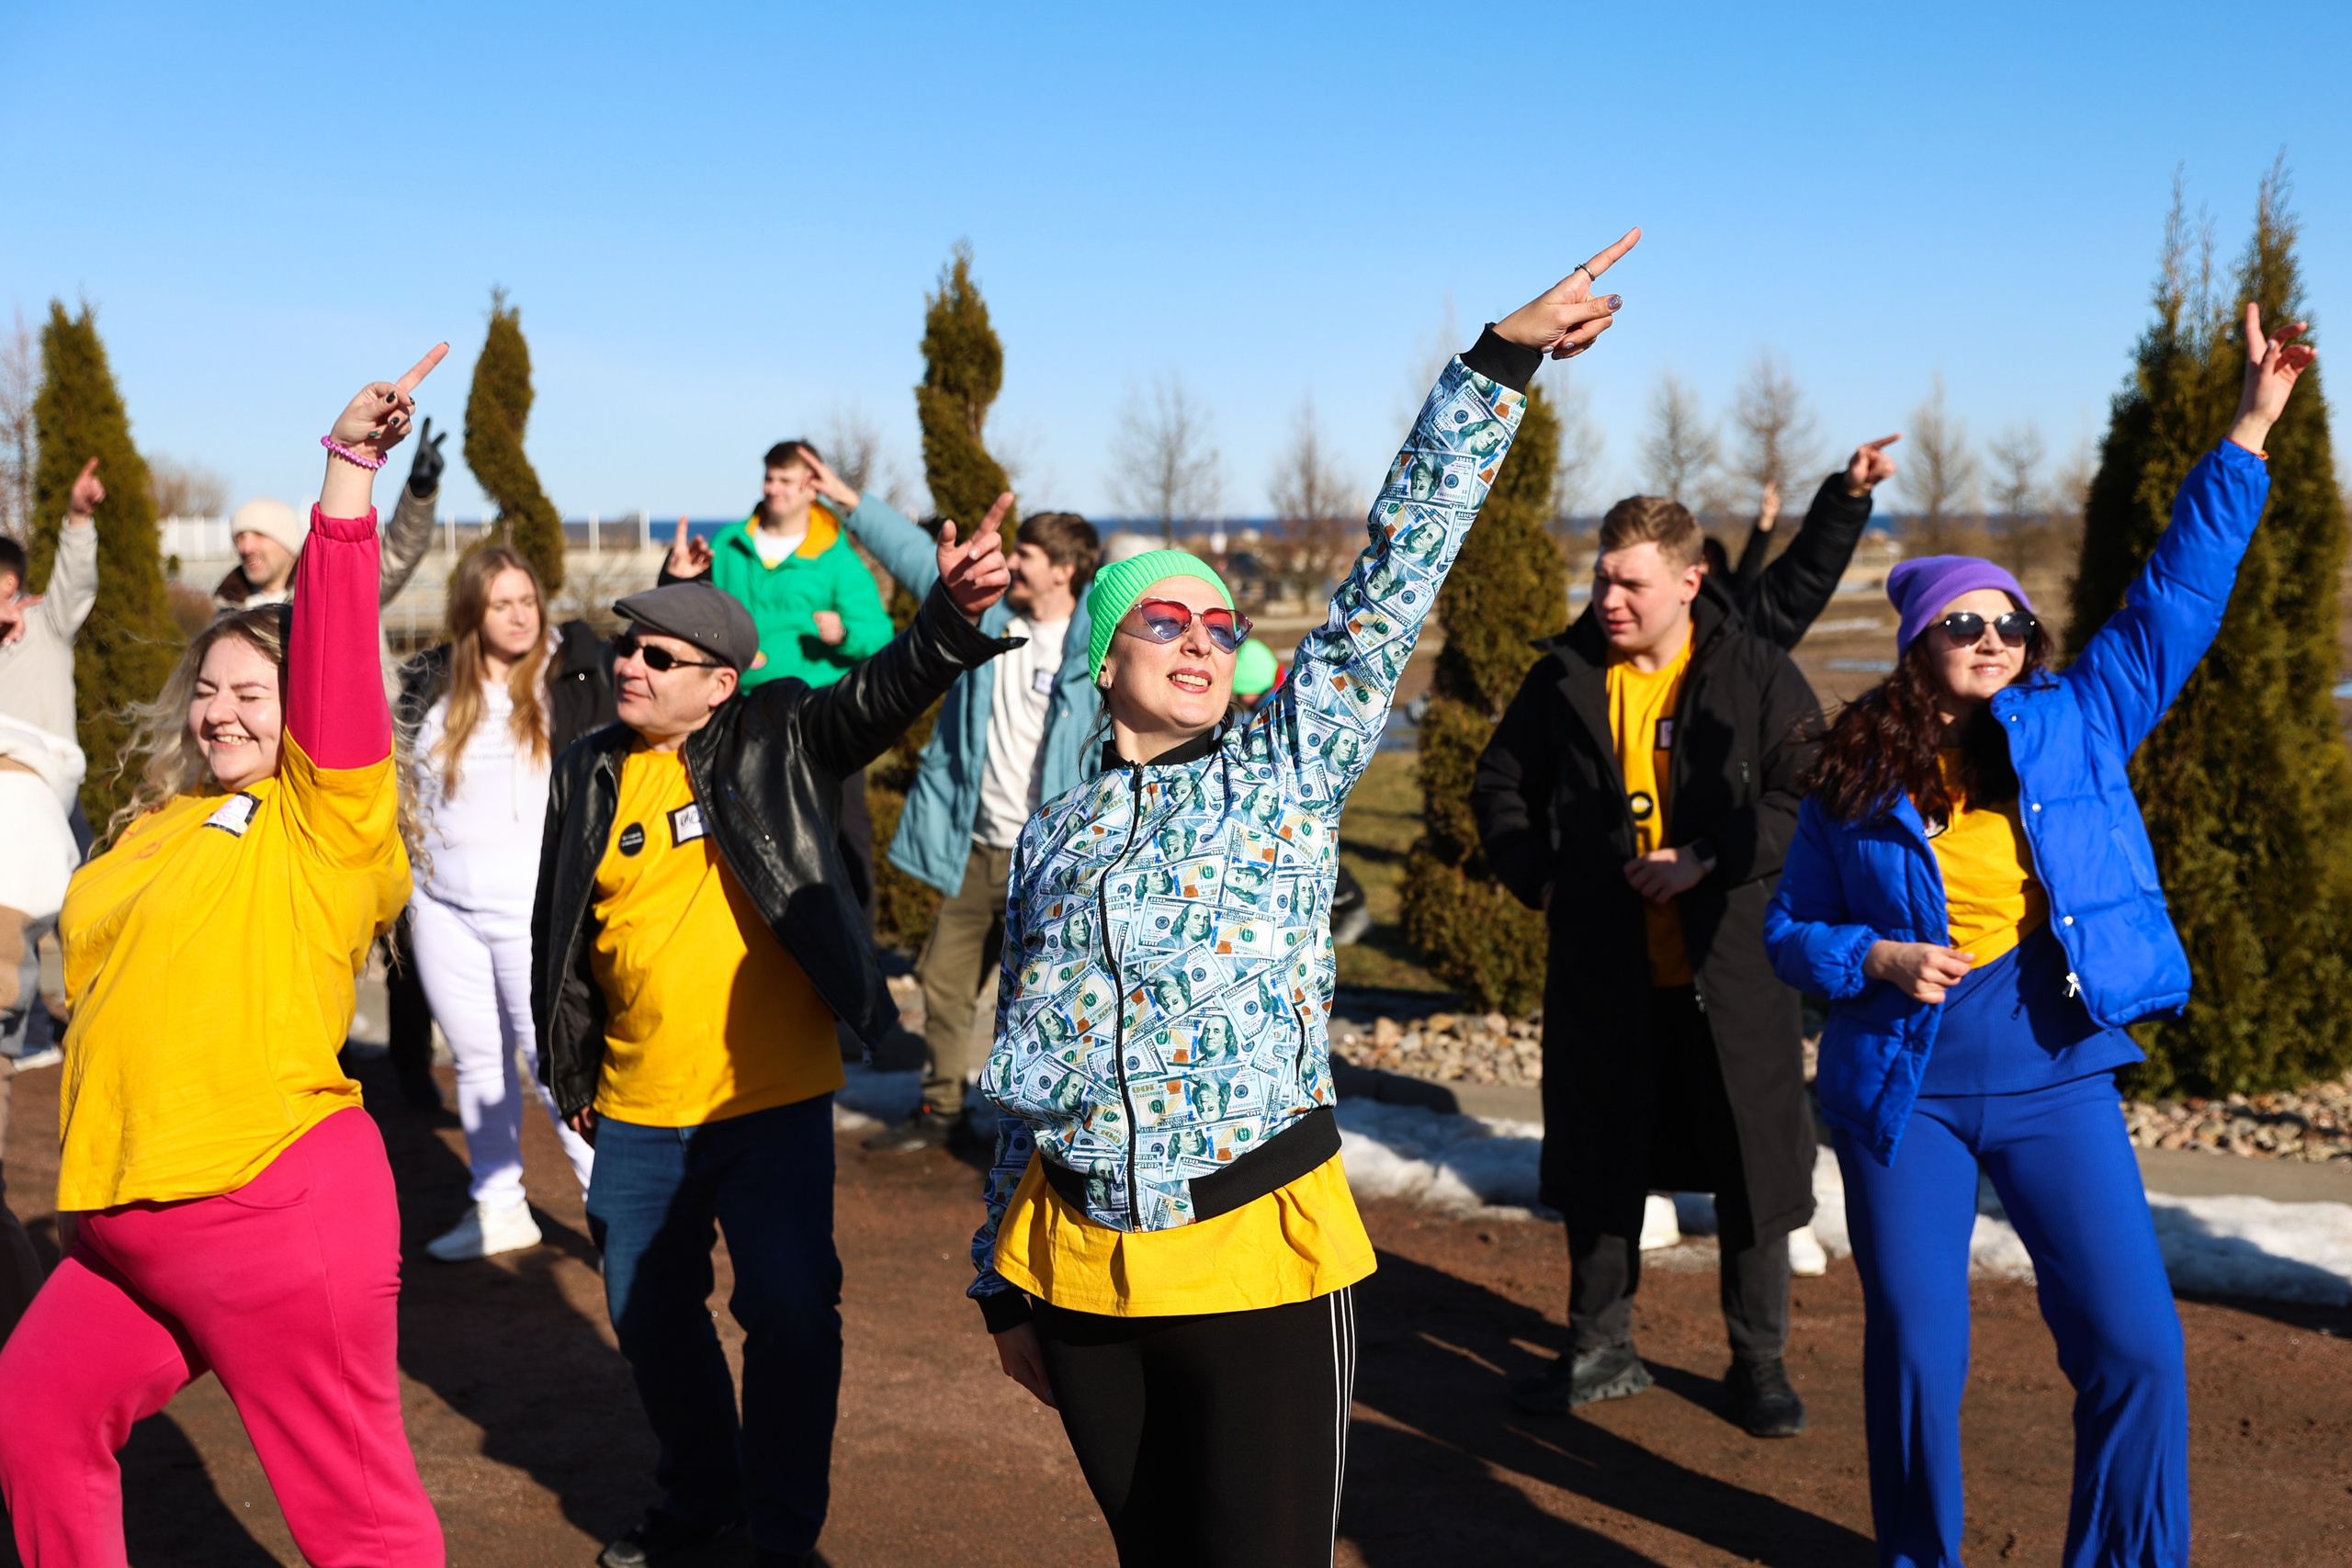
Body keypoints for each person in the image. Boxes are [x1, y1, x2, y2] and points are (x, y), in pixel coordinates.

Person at [969, 233, 1638, 1568]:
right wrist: (1000, 1279)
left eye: (1219, 625)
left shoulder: (1285, 768)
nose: (1202, 640)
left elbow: (1394, 580)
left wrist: (1498, 366)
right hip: (1080, 1264)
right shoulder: (1053, 832)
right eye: (1163, 623)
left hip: (1256, 1257)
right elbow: (1028, 1058)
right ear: (1103, 659)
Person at [1762, 305, 2312, 1568]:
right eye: (1968, 621)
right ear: (1918, 643)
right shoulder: (1851, 777)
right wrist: (1874, 959)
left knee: (2136, 1342)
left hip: (2055, 1066)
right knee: (1917, 1352)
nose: (1996, 637)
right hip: (1904, 1089)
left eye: (2011, 620)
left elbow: (2178, 590)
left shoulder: (2077, 720)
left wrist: (2251, 425)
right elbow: (1790, 930)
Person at [0, 346, 452, 1563]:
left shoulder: (327, 819)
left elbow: (342, 643)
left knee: (355, 1519)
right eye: (210, 688)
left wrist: (351, 474)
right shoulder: (158, 825)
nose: (223, 709)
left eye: (258, 689)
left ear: (302, 707)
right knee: (33, 1419)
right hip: (122, 1214)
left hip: (269, 1204)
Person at [532, 519, 1015, 1568]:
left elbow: (879, 694)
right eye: (628, 648)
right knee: (650, 1317)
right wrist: (568, 1062)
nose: (631, 666)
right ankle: (702, 1495)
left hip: (769, 1102)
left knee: (791, 1317)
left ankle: (783, 1535)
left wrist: (950, 615)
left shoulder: (776, 736)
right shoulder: (586, 771)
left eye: (659, 657)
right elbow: (559, 924)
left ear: (718, 686)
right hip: (636, 1107)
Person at [1471, 484, 1825, 1434]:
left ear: (1688, 579)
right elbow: (1500, 781)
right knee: (1599, 1165)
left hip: (1735, 978)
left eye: (1628, 583)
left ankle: (1758, 1367)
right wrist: (1537, 878)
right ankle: (1597, 1350)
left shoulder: (1755, 672)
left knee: (1754, 1173)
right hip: (1603, 975)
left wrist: (1709, 857)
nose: (1607, 599)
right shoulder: (1564, 678)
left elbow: (1809, 790)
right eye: (1599, 578)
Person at [811, 461, 1102, 1152]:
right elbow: (919, 560)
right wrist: (852, 503)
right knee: (944, 980)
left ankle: (1049, 1128)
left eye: (1025, 555)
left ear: (1064, 570)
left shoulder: (1096, 642)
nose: (1013, 564)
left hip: (1053, 858)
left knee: (1053, 997)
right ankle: (941, 1107)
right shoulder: (991, 618)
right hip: (978, 847)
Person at [398, 544, 614, 1260]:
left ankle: (617, 1221)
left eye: (528, 600)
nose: (520, 616)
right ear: (471, 611)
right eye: (502, 603)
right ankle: (497, 1203)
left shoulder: (571, 671)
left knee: (559, 1068)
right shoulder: (433, 684)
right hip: (442, 907)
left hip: (534, 912)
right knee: (475, 1060)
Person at [661, 441, 899, 932]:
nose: (774, 489)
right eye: (770, 478)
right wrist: (675, 578)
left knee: (840, 836)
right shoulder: (728, 545)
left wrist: (843, 634)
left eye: (787, 480)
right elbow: (689, 618)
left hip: (819, 720)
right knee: (735, 832)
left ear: (812, 488)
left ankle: (856, 953)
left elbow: (879, 635)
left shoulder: (835, 556)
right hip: (738, 714)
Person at [0, 456, 102, 1340]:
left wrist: (76, 519)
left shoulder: (45, 626)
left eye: (8, 591)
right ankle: (19, 1024)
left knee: (63, 921)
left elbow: (74, 583)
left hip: (43, 793)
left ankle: (63, 1015)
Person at [1693, 437, 1902, 651]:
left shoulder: (1732, 633)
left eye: (1704, 560)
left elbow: (1806, 571)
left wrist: (1849, 494)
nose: (1697, 570)